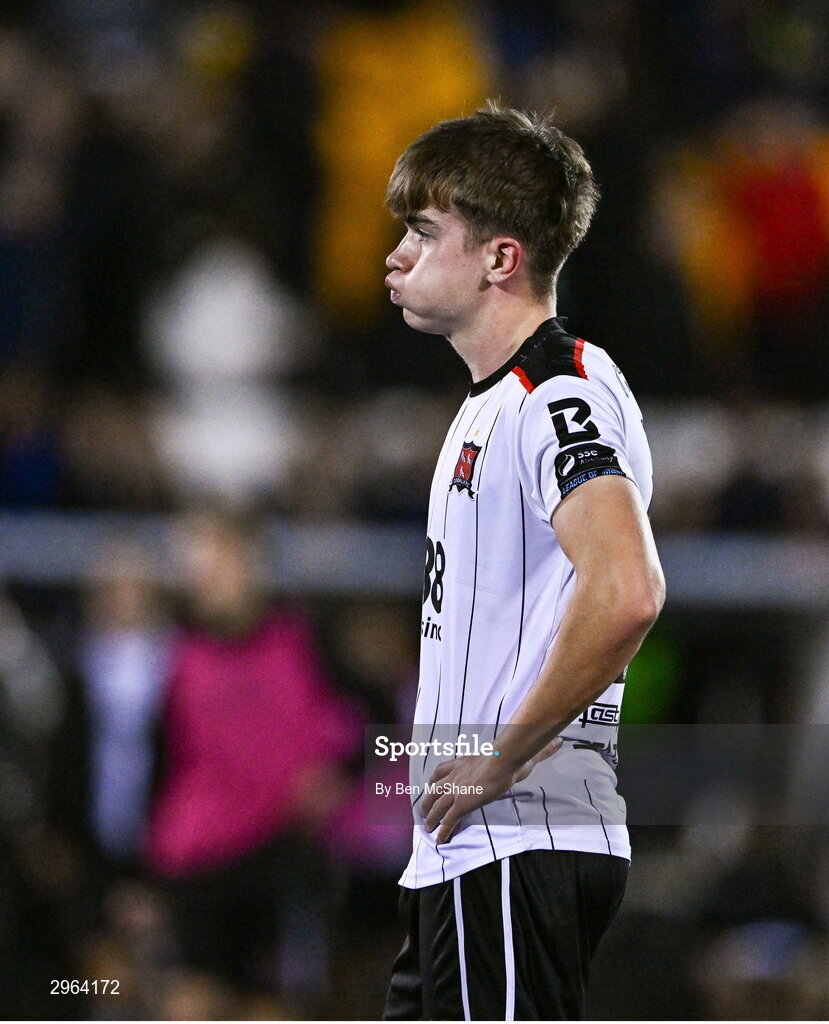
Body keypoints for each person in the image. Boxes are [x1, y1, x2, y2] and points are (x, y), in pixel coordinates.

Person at [381, 103, 665, 1020]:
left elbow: (626, 590)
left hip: (515, 838)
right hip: (465, 850)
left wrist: (500, 758)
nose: (397, 254)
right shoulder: (492, 400)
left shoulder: (557, 392)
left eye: (424, 232)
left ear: (500, 258)